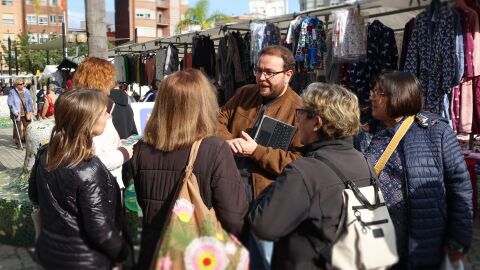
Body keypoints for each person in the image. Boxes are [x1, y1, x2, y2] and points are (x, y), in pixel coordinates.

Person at [131, 69, 248, 269]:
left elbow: (144, 201)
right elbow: (235, 216)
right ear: (205, 104)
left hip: (156, 254)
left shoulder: (141, 149)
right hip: (197, 256)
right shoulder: (214, 148)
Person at [249, 83, 374, 269]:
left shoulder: (303, 171)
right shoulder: (363, 161)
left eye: (300, 114)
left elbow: (263, 226)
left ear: (316, 123)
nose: (297, 120)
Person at [361, 71, 472, 269]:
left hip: (423, 240)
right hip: (376, 238)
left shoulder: (436, 131)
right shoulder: (367, 133)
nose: (371, 97)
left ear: (399, 96)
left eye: (379, 93)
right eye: (372, 91)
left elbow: (459, 186)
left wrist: (459, 236)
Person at [216, 45, 303, 268]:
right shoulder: (244, 93)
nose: (261, 78)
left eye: (269, 73)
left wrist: (256, 151)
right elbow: (217, 122)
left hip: (266, 204)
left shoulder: (299, 110)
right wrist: (228, 140)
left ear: (288, 75)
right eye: (258, 70)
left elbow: (297, 163)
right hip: (230, 192)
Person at [28, 89, 130, 269]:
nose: (107, 115)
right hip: (85, 261)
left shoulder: (46, 154)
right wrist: (123, 252)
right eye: (102, 112)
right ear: (86, 121)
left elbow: (34, 195)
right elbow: (99, 229)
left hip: (49, 255)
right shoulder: (89, 168)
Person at [73, 57, 133, 191]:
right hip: (99, 187)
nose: (111, 86)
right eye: (109, 80)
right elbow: (90, 161)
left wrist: (118, 144)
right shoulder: (90, 111)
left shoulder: (82, 107)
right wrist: (122, 153)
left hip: (103, 183)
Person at [7, 78, 33, 149]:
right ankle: (18, 143)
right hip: (17, 113)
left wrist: (31, 110)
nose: (22, 85)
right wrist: (14, 111)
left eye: (23, 84)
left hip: (25, 112)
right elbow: (10, 102)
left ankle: (29, 142)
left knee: (28, 128)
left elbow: (29, 102)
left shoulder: (26, 91)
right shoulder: (12, 92)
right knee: (17, 129)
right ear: (16, 85)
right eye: (21, 84)